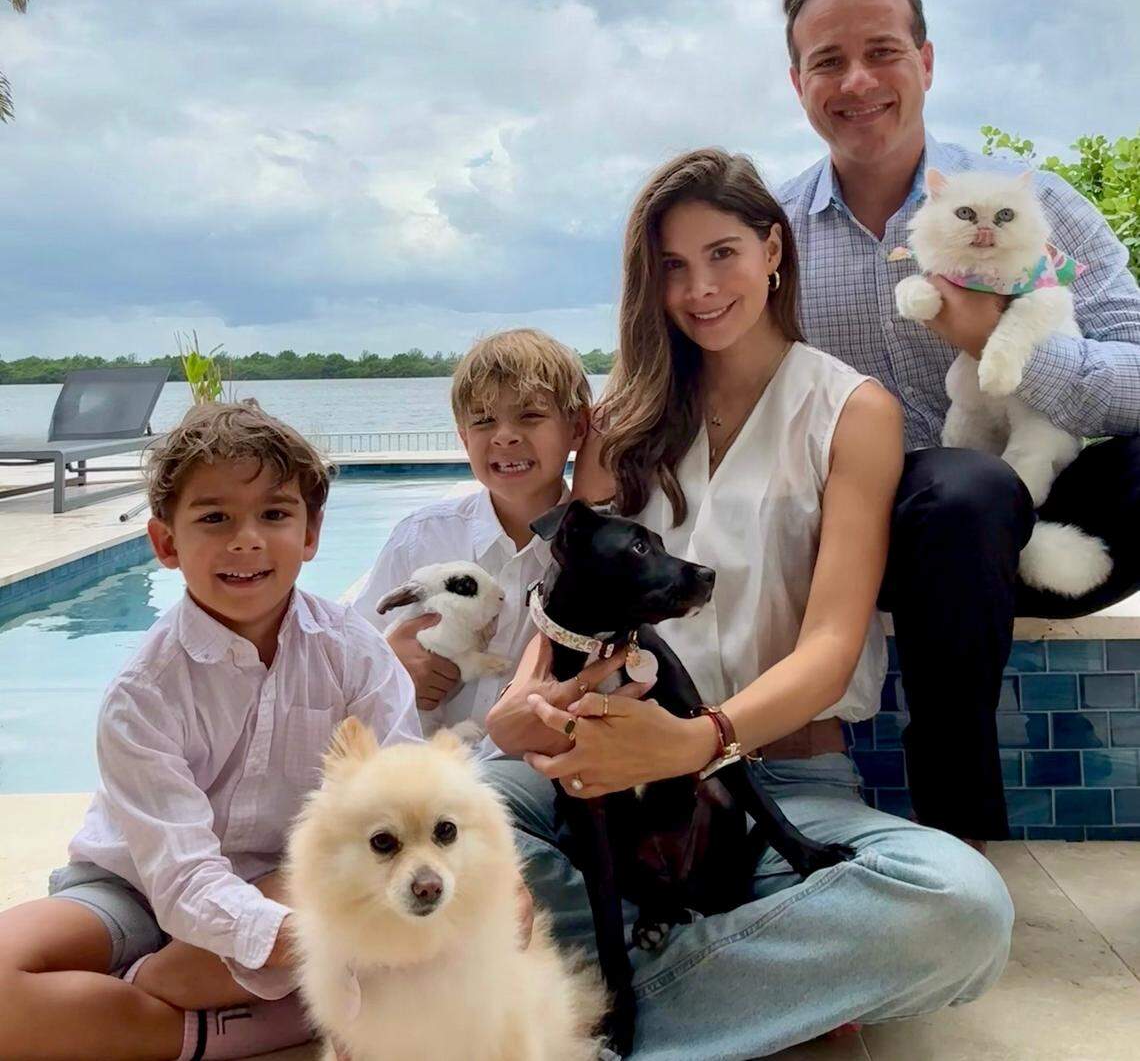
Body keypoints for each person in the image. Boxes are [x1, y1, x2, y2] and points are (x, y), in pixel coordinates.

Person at [483, 148, 1014, 1059]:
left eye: (722, 253)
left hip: (782, 784)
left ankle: (600, 1007)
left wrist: (702, 739)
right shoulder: (624, 417)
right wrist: (523, 698)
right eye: (674, 267)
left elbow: (833, 645)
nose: (700, 290)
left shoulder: (853, 411)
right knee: (440, 826)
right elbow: (564, 601)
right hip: (599, 774)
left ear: (774, 249)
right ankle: (751, 985)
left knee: (960, 912)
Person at [777, 0, 1140, 843]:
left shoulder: (1031, 200)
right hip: (889, 544)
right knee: (962, 490)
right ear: (798, 83)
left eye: (884, 51)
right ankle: (964, 839)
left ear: (927, 62)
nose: (857, 80)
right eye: (828, 60)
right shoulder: (772, 232)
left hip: (1055, 517)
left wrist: (999, 341)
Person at [0, 400, 421, 1061]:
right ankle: (241, 1024)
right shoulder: (143, 694)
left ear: (311, 534)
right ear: (166, 543)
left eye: (275, 515)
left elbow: (409, 791)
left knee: (389, 911)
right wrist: (308, 943)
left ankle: (154, 1010)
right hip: (137, 887)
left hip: (294, 880)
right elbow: (183, 880)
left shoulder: (356, 654)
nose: (246, 539)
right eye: (215, 517)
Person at [353, 328, 594, 754]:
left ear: (578, 427)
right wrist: (392, 661)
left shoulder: (598, 558)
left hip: (535, 777)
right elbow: (348, 655)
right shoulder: (422, 539)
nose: (504, 436)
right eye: (483, 421)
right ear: (464, 438)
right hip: (424, 774)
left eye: (530, 416)